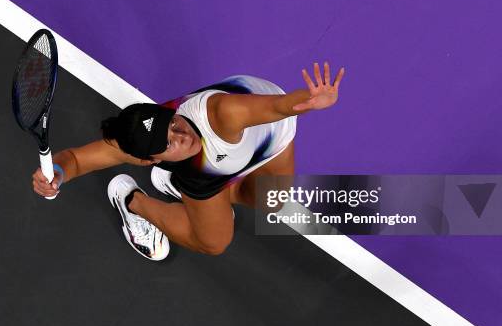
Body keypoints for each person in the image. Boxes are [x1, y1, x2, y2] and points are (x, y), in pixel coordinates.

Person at [32, 62, 344, 260]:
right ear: (146, 161)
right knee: (214, 243)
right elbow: (74, 159)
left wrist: (309, 101)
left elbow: (278, 107)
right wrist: (56, 173)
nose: (180, 135)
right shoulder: (135, 144)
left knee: (271, 201)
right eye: (166, 143)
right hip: (204, 176)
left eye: (171, 124)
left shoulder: (222, 113)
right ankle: (132, 202)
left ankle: (195, 189)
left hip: (270, 132)